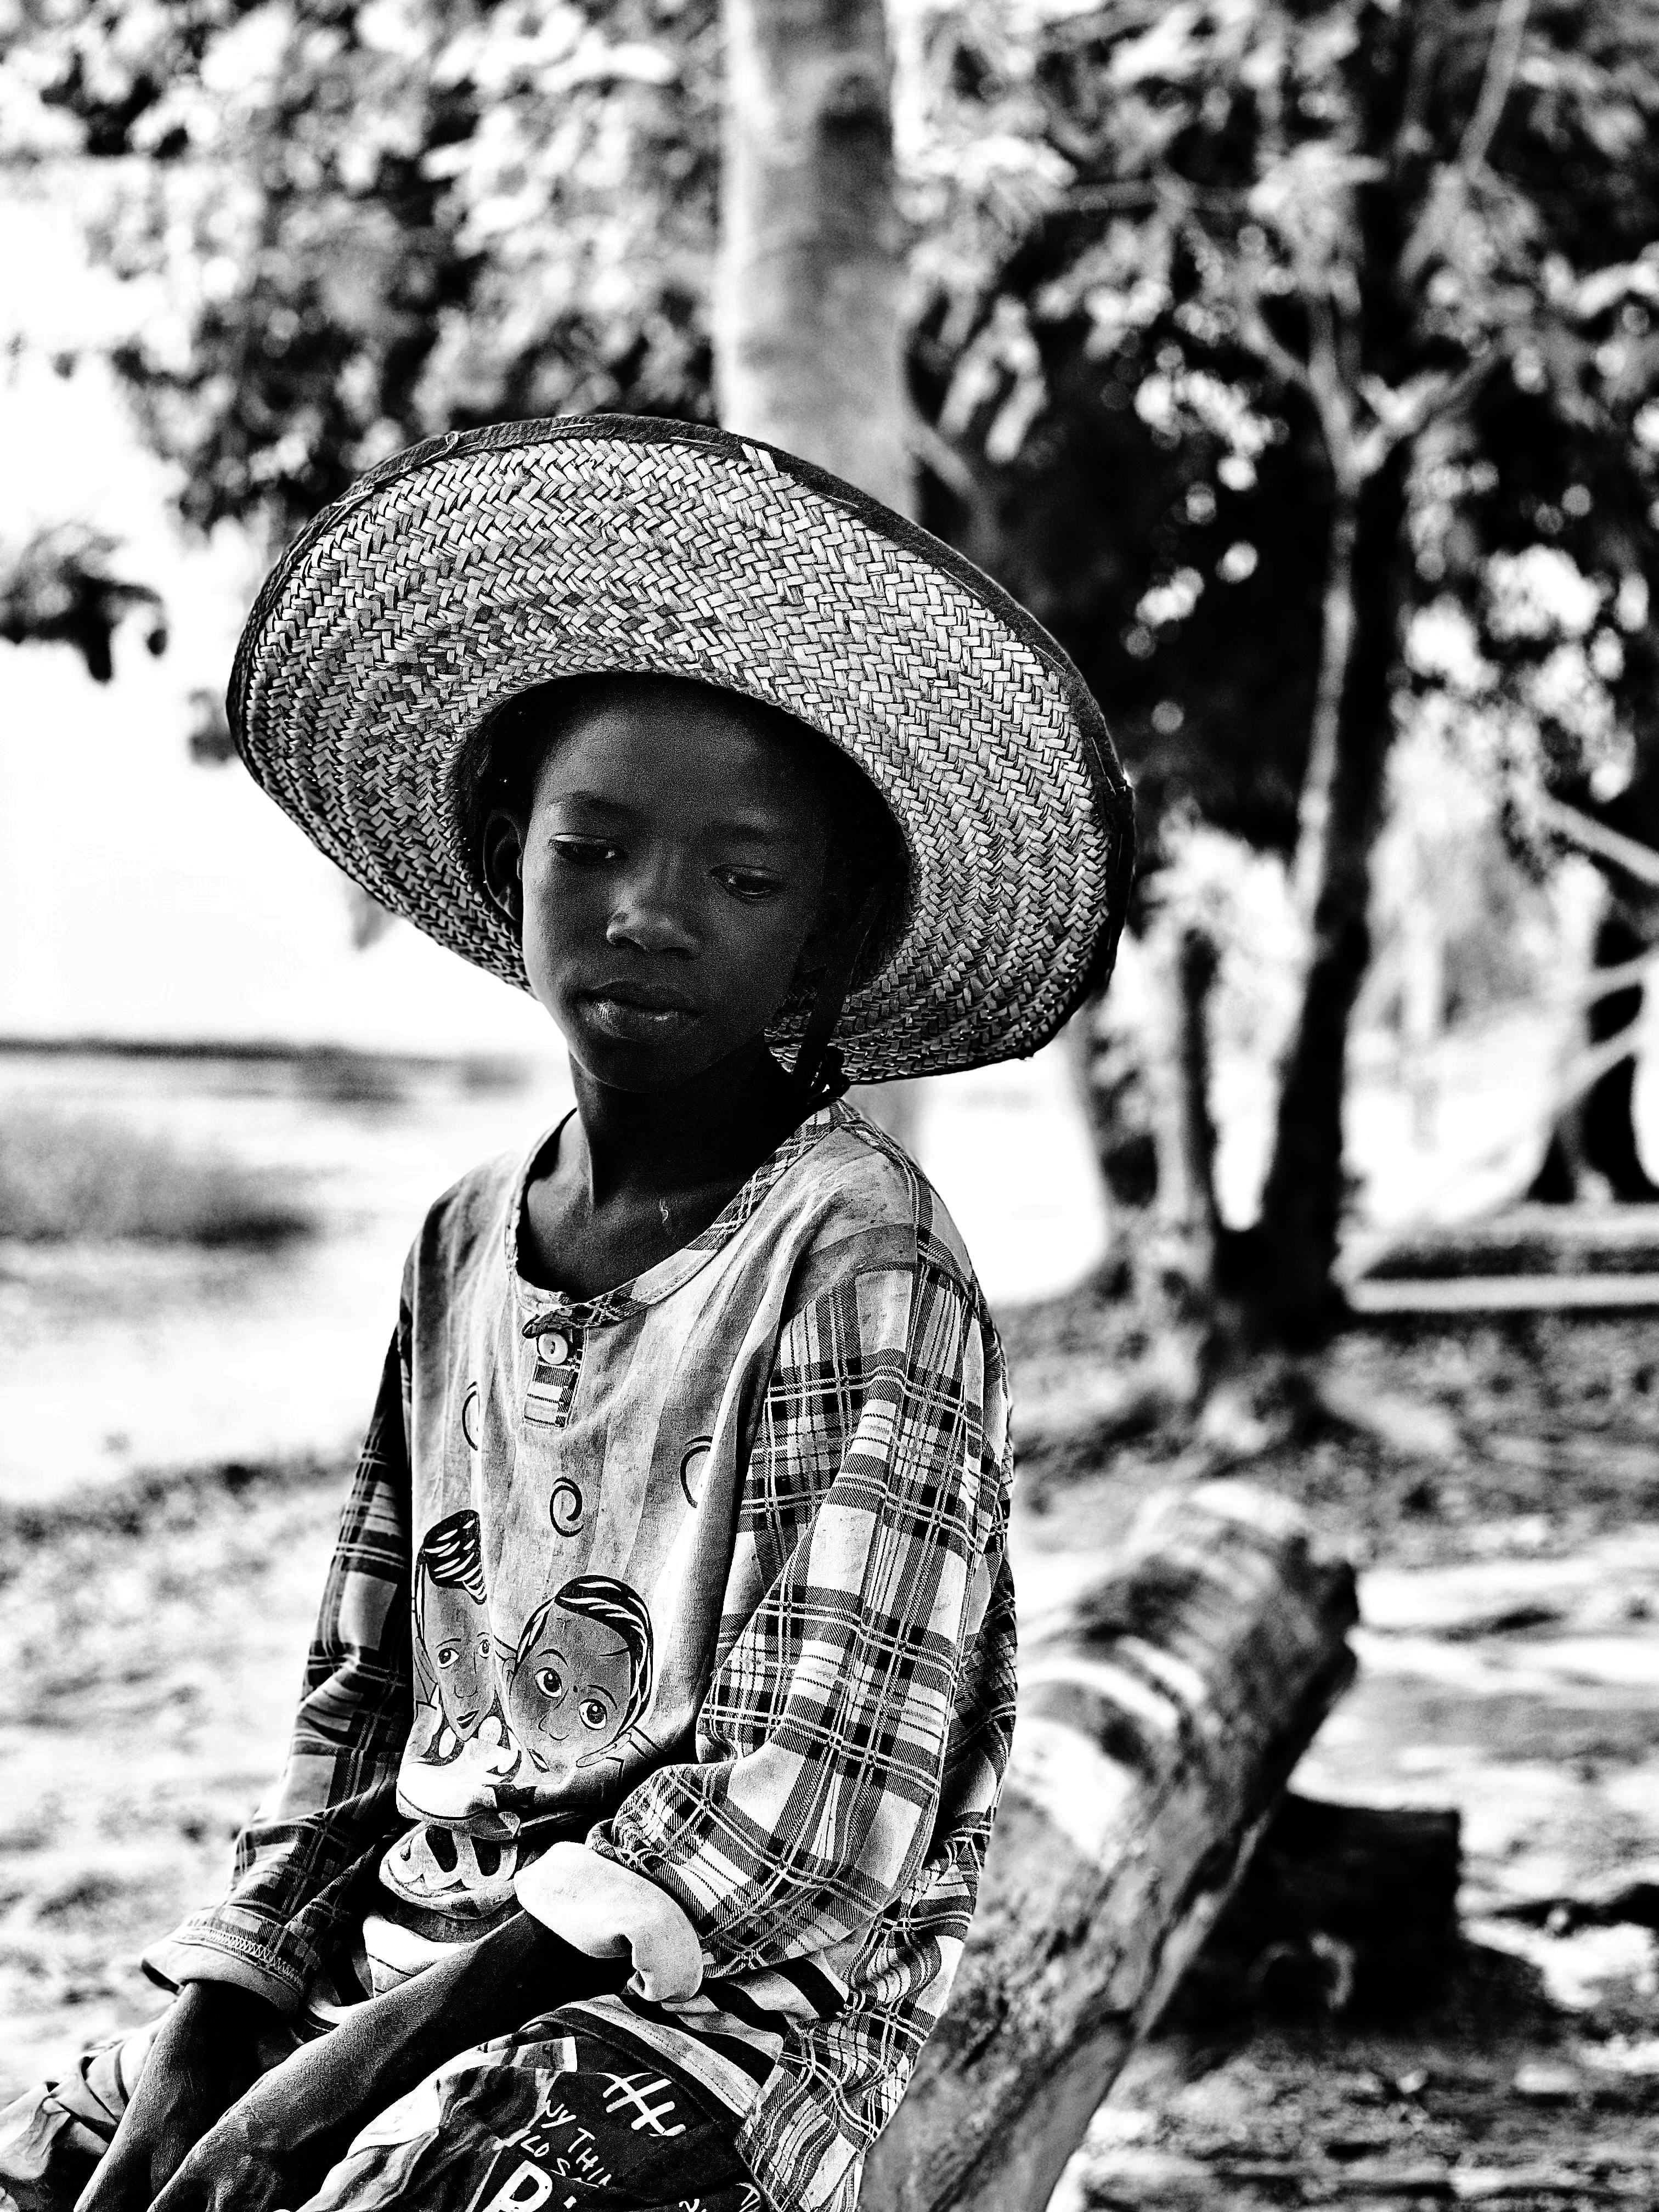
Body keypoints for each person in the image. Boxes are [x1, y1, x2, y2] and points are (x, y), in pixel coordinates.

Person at [0, 417, 1133, 2212]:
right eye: (591, 850)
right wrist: (224, 2031)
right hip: (406, 1964)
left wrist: (347, 2080)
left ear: (825, 948)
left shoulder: (862, 1260)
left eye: (744, 882)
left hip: (716, 2022)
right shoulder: (461, 1241)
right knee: (61, 2159)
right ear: (506, 863)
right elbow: (358, 1703)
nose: (652, 916)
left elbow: (807, 1813)